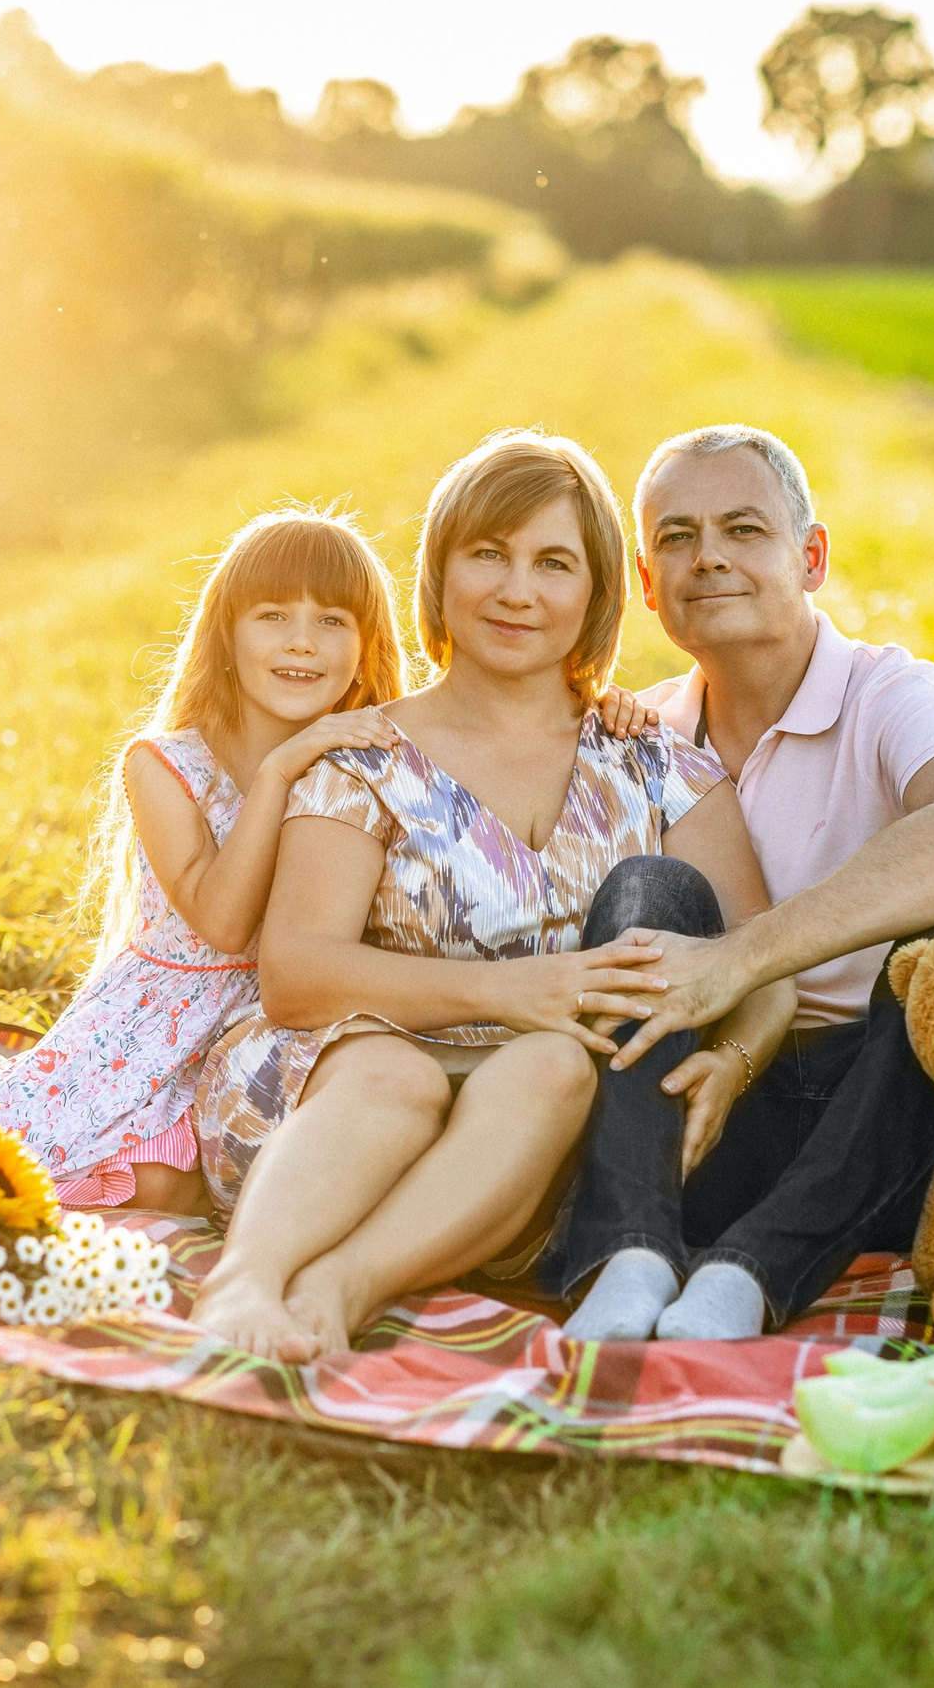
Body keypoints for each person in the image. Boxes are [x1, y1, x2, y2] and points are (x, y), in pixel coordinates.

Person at [187, 430, 793, 1362]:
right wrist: (506, 993)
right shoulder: (364, 754)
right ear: (440, 574)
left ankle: (339, 1289)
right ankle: (247, 1280)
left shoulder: (653, 759)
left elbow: (763, 958)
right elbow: (296, 975)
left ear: (595, 594)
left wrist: (737, 1060)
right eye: (489, 555)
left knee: (553, 1066)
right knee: (399, 1072)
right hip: (343, 1094)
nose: (517, 591)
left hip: (525, 1144)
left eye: (553, 563)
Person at [542, 424, 934, 1343]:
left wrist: (743, 958)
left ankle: (747, 1273)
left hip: (888, 1113)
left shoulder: (893, 693)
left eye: (742, 529)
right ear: (647, 584)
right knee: (649, 885)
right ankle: (629, 1249)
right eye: (676, 537)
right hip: (711, 1111)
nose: (709, 556)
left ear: (811, 556)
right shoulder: (636, 732)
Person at [0, 510, 411, 1214]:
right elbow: (224, 921)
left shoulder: (362, 766)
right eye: (272, 615)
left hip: (283, 1022)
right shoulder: (165, 766)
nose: (302, 642)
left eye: (332, 620)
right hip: (161, 1024)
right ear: (226, 637)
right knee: (117, 1176)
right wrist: (278, 773)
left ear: (366, 646)